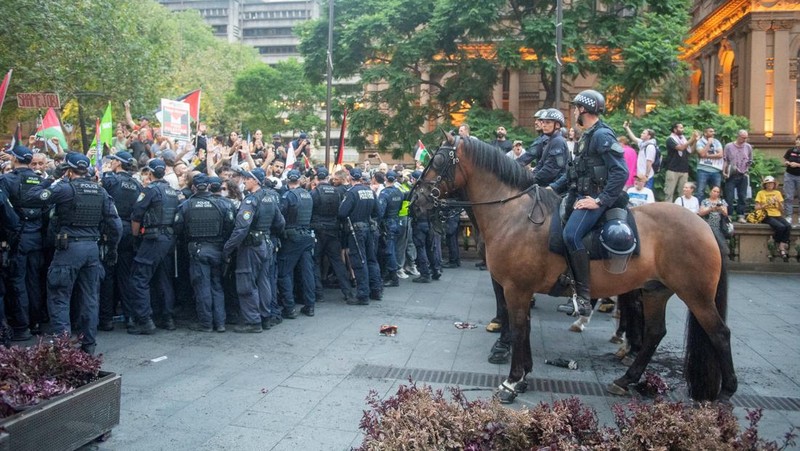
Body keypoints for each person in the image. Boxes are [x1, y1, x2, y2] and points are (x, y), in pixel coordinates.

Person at [23, 152, 122, 354]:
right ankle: (88, 347)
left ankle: (63, 349)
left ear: (67, 170)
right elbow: (116, 225)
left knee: (59, 297)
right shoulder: (100, 192)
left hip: (68, 249)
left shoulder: (65, 188)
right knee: (90, 298)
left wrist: (51, 178)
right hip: (92, 250)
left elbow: (30, 197)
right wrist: (112, 249)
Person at [550, 89, 628, 317]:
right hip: (578, 196)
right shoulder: (588, 135)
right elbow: (575, 173)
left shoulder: (602, 135)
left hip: (594, 199)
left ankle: (585, 298)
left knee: (571, 235)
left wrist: (599, 200)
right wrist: (551, 189)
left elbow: (620, 172)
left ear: (583, 109)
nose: (574, 111)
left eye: (575, 108)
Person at [223, 169, 285, 332]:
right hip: (266, 243)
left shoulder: (251, 200)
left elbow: (241, 228)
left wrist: (228, 248)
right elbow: (280, 223)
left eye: (247, 179)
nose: (244, 181)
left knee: (246, 281)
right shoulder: (270, 197)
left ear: (255, 181)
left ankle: (252, 321)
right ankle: (265, 317)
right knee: (263, 281)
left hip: (251, 246)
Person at [174, 174, 236, 332]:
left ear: (193, 187)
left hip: (198, 251)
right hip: (218, 250)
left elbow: (177, 229)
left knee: (202, 287)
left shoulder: (186, 205)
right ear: (209, 186)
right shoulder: (224, 204)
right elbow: (231, 227)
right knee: (217, 285)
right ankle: (220, 323)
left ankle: (206, 323)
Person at [128, 159, 180, 334]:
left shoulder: (150, 190)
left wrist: (135, 238)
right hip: (168, 239)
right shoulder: (173, 191)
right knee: (164, 278)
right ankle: (167, 318)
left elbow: (137, 216)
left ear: (150, 173)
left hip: (153, 238)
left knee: (139, 278)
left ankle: (145, 321)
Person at [0, 145, 46, 340]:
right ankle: (35, 322)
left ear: (14, 159)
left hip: (18, 237)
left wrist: (14, 227)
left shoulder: (7, 179)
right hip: (37, 237)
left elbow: (3, 207)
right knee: (34, 280)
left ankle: (21, 325)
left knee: (18, 282)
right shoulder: (41, 180)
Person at [99, 151, 143, 330]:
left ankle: (106, 319)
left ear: (118, 163)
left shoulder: (110, 180)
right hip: (129, 230)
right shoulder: (137, 184)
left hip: (111, 229)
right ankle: (129, 317)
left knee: (108, 275)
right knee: (126, 275)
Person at [338, 168, 382, 305]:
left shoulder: (351, 193)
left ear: (350, 178)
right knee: (371, 260)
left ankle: (362, 294)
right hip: (369, 228)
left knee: (359, 261)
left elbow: (342, 213)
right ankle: (376, 290)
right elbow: (378, 212)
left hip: (356, 231)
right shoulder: (370, 191)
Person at [277, 169, 317, 317]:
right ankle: (310, 306)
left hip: (292, 237)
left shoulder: (288, 196)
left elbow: (280, 217)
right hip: (306, 236)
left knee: (284, 272)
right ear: (299, 181)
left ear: (288, 181)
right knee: (307, 272)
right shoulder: (308, 195)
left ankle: (289, 308)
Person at [310, 168, 353, 302]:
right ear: (327, 178)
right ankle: (347, 292)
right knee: (337, 261)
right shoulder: (337, 192)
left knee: (316, 261)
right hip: (333, 230)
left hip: (318, 230)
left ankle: (319, 293)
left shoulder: (314, 193)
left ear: (317, 178)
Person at [526, 108, 568, 186]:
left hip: (556, 187)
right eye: (543, 122)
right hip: (546, 183)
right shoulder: (550, 140)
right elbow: (540, 164)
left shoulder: (558, 141)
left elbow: (551, 169)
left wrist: (532, 180)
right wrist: (530, 177)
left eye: (548, 122)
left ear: (557, 125)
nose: (544, 125)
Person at [378, 170, 406, 284]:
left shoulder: (384, 193)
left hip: (388, 223)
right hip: (396, 221)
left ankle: (393, 276)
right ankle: (392, 273)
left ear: (385, 178)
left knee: (389, 250)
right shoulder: (399, 192)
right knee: (394, 247)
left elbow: (380, 211)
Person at [755, 176, 792, 260]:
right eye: (768, 183)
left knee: (788, 226)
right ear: (765, 185)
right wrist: (767, 204)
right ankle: (777, 243)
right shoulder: (761, 193)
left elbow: (782, 210)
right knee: (780, 227)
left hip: (777, 214)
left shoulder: (777, 193)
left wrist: (778, 202)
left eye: (771, 183)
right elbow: (756, 208)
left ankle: (781, 244)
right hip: (766, 215)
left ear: (774, 184)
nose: (770, 185)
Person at [663, 123, 699, 203]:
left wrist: (695, 141)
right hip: (672, 169)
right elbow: (681, 148)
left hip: (684, 169)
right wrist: (692, 139)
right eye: (681, 128)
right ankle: (667, 212)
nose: (683, 129)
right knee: (669, 192)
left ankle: (681, 211)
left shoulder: (683, 139)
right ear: (675, 129)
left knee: (683, 193)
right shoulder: (670, 139)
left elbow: (690, 151)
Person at [723, 129, 753, 223]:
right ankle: (729, 215)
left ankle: (741, 215)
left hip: (743, 174)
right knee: (729, 196)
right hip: (732, 174)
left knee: (742, 196)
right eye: (743, 137)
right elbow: (725, 160)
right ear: (738, 136)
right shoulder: (729, 146)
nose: (744, 139)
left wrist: (747, 167)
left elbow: (750, 160)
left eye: (746, 138)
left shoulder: (748, 147)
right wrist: (724, 171)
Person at [623, 122, 658, 189]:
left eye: (644, 133)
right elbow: (634, 138)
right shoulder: (643, 144)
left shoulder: (650, 146)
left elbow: (649, 162)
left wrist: (646, 176)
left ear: (649, 136)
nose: (641, 134)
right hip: (640, 175)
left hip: (646, 176)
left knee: (645, 193)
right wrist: (627, 128)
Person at [695, 127, 724, 202]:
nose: (713, 133)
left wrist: (706, 156)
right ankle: (700, 211)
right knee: (700, 191)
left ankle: (715, 210)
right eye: (711, 131)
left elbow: (720, 154)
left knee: (716, 191)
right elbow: (702, 153)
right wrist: (708, 143)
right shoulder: (700, 142)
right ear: (705, 133)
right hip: (703, 170)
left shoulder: (717, 142)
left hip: (716, 170)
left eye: (713, 131)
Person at [698, 186, 730, 254]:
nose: (715, 193)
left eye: (717, 192)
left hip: (719, 227)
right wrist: (711, 208)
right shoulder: (705, 201)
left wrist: (720, 209)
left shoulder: (722, 201)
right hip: (707, 227)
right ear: (710, 192)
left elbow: (726, 214)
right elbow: (701, 212)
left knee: (721, 245)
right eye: (714, 191)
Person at [782, 135, 800, 224]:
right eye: (797, 140)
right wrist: (788, 163)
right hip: (789, 175)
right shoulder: (791, 150)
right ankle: (788, 216)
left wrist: (797, 165)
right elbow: (785, 160)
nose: (798, 141)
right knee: (788, 196)